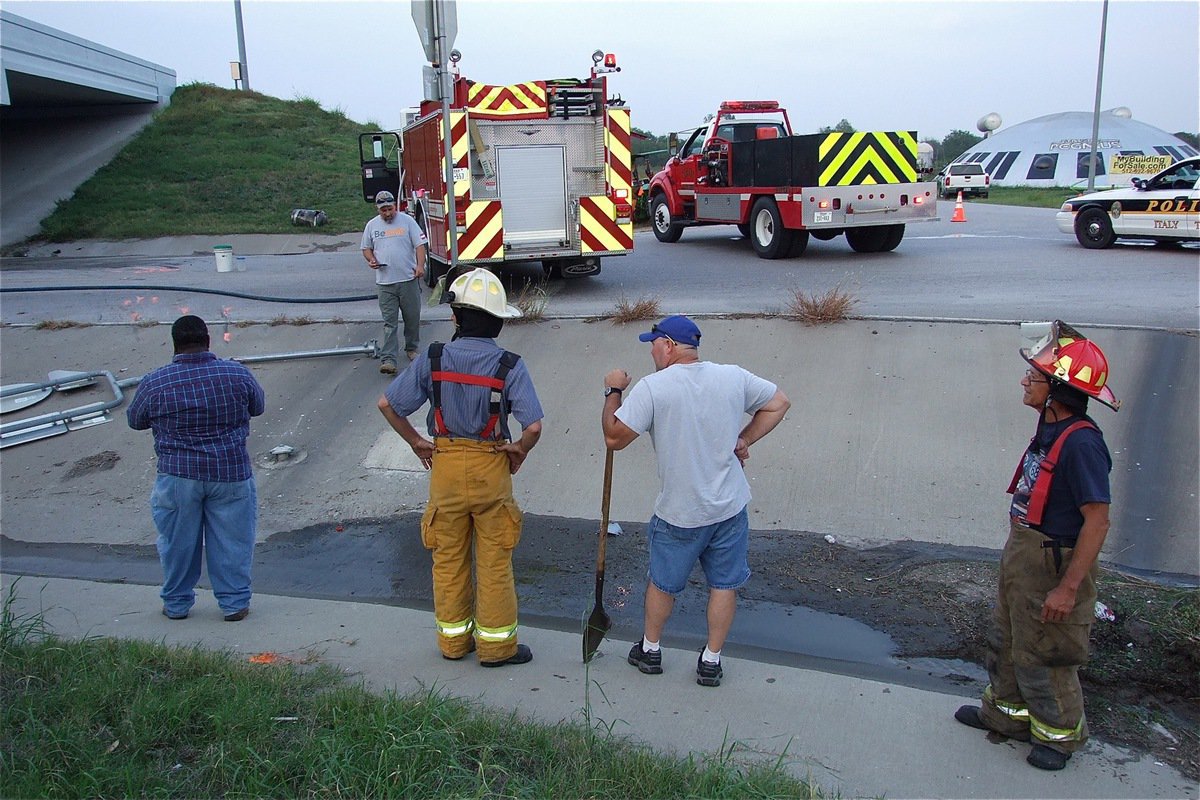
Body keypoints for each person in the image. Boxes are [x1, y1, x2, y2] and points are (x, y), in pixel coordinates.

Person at [955, 320, 1120, 771]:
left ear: (1057, 390)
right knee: (1008, 640)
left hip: (1052, 562)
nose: (1026, 381)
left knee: (1046, 651)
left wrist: (1068, 589)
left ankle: (1059, 736)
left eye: (1035, 377)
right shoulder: (1051, 430)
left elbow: (1097, 522)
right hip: (1025, 553)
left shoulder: (1083, 444)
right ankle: (1004, 716)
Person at [601, 315, 790, 687]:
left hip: (680, 514)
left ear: (669, 345)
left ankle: (651, 650)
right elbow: (779, 403)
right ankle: (711, 661)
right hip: (729, 508)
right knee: (724, 584)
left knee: (663, 583)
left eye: (653, 343)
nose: (651, 350)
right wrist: (745, 439)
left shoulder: (655, 388)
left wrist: (613, 391)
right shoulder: (732, 376)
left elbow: (614, 438)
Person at [377, 268, 543, 667]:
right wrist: (518, 449)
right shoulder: (510, 364)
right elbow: (533, 426)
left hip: (445, 468)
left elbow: (388, 404)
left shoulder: (434, 357)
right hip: (491, 469)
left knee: (448, 560)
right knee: (495, 561)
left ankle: (453, 644)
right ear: (500, 322)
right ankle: (497, 648)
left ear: (455, 317)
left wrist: (418, 442)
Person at [126, 315, 265, 622]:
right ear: (208, 340)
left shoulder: (155, 381)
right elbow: (258, 407)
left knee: (177, 543)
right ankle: (234, 603)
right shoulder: (236, 374)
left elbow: (135, 421)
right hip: (229, 472)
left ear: (174, 344)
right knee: (233, 542)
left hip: (177, 476)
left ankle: (176, 604)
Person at [361, 189, 428, 375]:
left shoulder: (407, 222)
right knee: (390, 322)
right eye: (383, 210)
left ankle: (412, 348)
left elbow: (420, 245)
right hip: (385, 283)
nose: (387, 213)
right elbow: (366, 248)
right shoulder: (372, 226)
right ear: (378, 209)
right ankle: (388, 359)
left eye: (390, 209)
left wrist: (420, 266)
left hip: (408, 279)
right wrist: (371, 260)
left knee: (412, 317)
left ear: (395, 206)